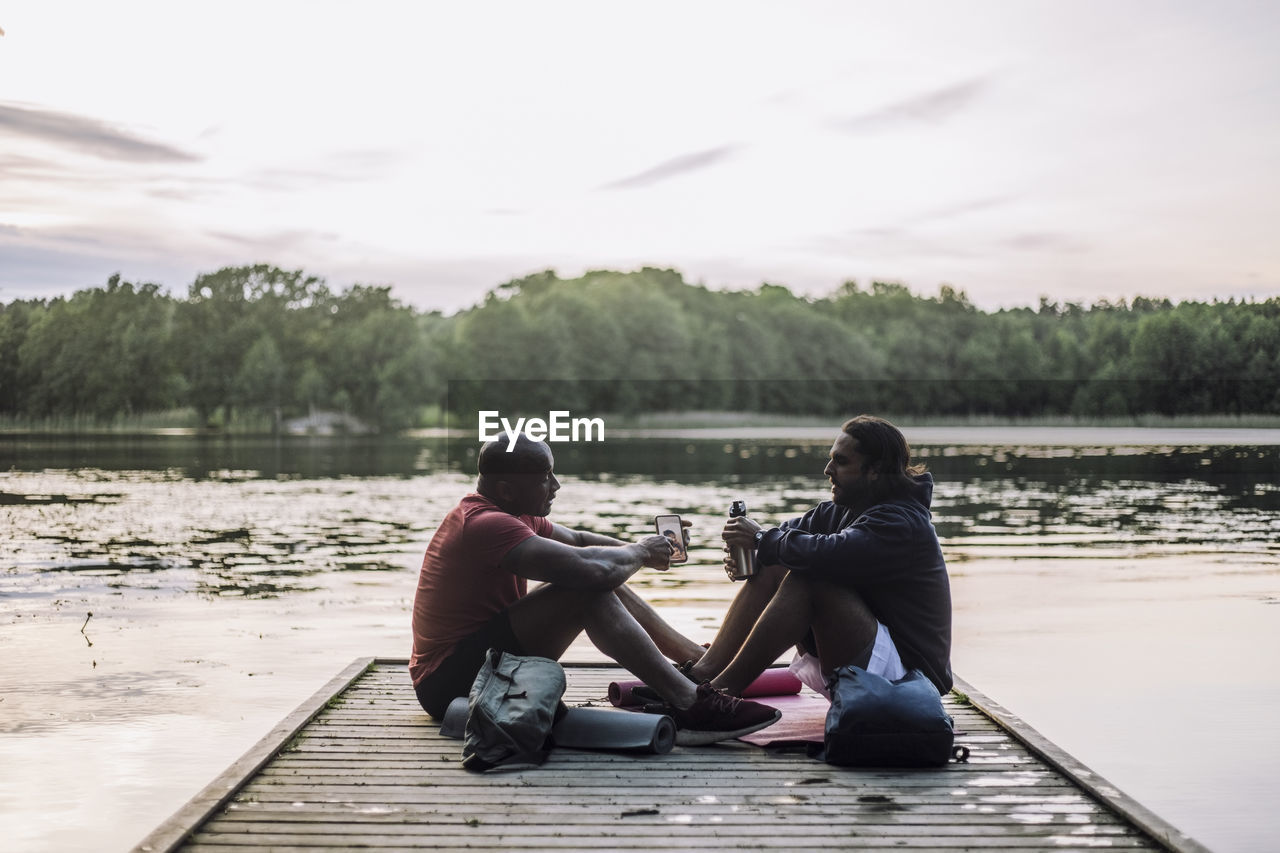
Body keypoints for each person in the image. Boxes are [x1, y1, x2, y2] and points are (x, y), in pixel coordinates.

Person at [409, 433, 780, 745]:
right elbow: (593, 571)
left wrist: (643, 550)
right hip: (448, 685)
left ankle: (694, 669)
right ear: (506, 488)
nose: (556, 486)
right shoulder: (485, 524)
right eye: (545, 478)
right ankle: (689, 704)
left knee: (597, 576)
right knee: (586, 588)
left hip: (482, 662)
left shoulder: (512, 513)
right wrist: (637, 553)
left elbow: (582, 541)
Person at [684, 415, 952, 700]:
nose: (827, 469)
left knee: (811, 578)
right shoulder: (844, 508)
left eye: (841, 461)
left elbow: (832, 553)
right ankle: (703, 674)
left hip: (910, 683)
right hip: (868, 663)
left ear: (875, 470)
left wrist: (762, 540)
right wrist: (754, 555)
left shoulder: (901, 521)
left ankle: (716, 696)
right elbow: (784, 540)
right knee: (779, 561)